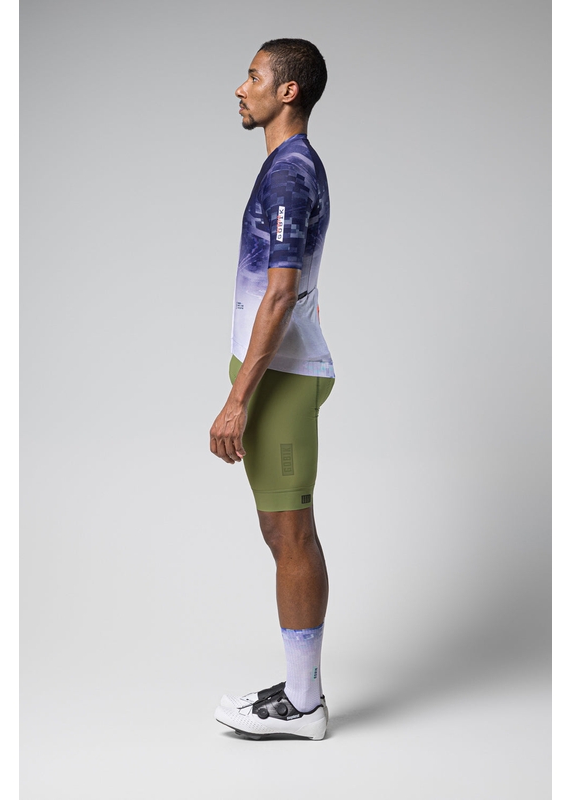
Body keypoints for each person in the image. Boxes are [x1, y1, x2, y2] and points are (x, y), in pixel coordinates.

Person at [210, 39, 335, 741]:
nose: (241, 87)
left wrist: (238, 399)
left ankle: (304, 704)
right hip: (274, 370)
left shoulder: (290, 173)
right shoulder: (289, 166)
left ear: (288, 91)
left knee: (292, 532)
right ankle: (298, 686)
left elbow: (281, 291)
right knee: (279, 528)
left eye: (254, 76)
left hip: (279, 378)